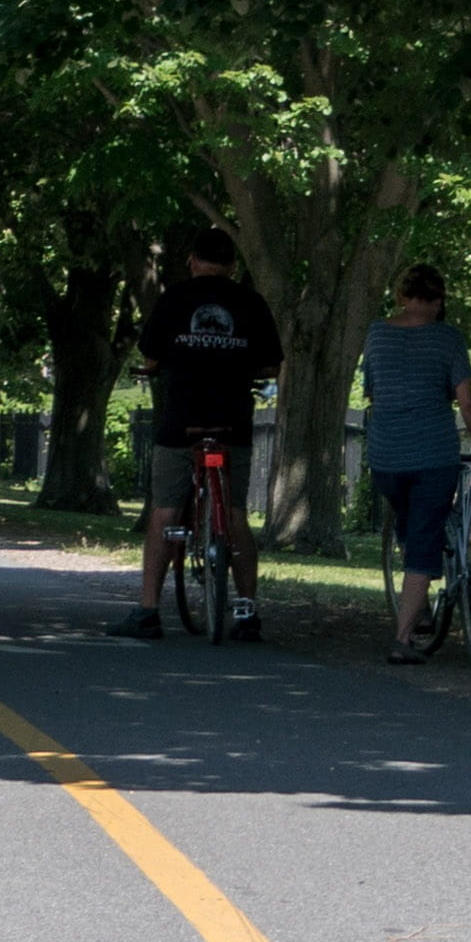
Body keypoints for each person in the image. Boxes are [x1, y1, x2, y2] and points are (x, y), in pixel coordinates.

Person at [129, 232, 283, 640]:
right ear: (232, 265)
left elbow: (151, 357)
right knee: (234, 514)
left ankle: (147, 611)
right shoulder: (251, 303)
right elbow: (271, 367)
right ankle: (247, 613)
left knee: (164, 511)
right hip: (232, 420)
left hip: (182, 421)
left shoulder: (174, 299)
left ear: (193, 261)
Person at [356, 264, 471, 658]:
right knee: (425, 534)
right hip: (433, 452)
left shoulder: (377, 333)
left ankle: (421, 609)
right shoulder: (447, 339)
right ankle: (404, 638)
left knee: (410, 525)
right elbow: (465, 400)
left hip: (386, 454)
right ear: (440, 300)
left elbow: (374, 392)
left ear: (401, 295)